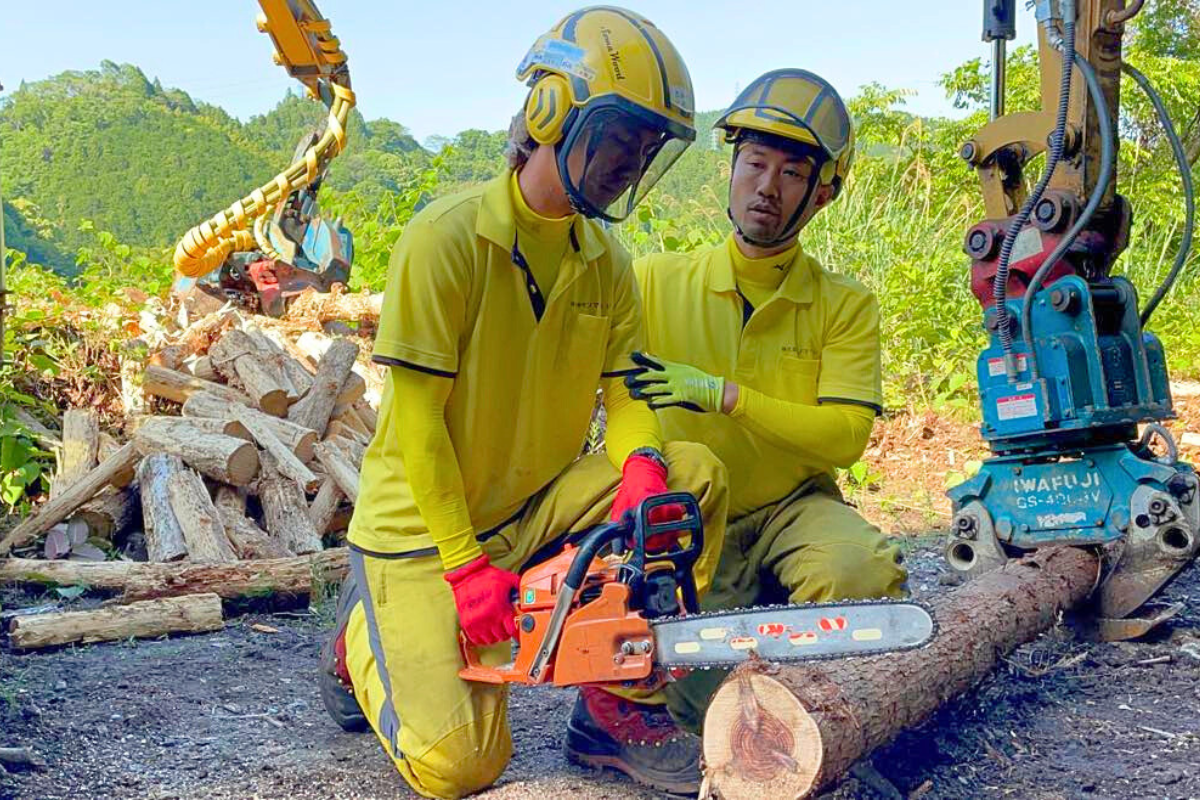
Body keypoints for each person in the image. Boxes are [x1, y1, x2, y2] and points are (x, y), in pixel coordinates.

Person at [318, 8, 729, 798]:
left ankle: (616, 699)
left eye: (648, 147)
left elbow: (626, 395)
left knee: (690, 471)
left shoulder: (607, 261)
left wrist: (641, 463)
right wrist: (466, 568)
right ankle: (357, 638)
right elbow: (415, 422)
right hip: (420, 538)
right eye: (621, 137)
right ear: (550, 113)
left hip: (532, 508)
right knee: (459, 766)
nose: (631, 161)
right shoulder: (447, 240)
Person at [627, 68, 908, 732]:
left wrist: (729, 397)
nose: (766, 187)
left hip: (793, 508)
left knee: (860, 573)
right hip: (693, 523)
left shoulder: (843, 305)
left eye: (790, 173)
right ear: (730, 168)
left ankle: (812, 671)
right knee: (701, 705)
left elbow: (844, 438)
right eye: (755, 163)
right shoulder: (651, 283)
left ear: (823, 194)